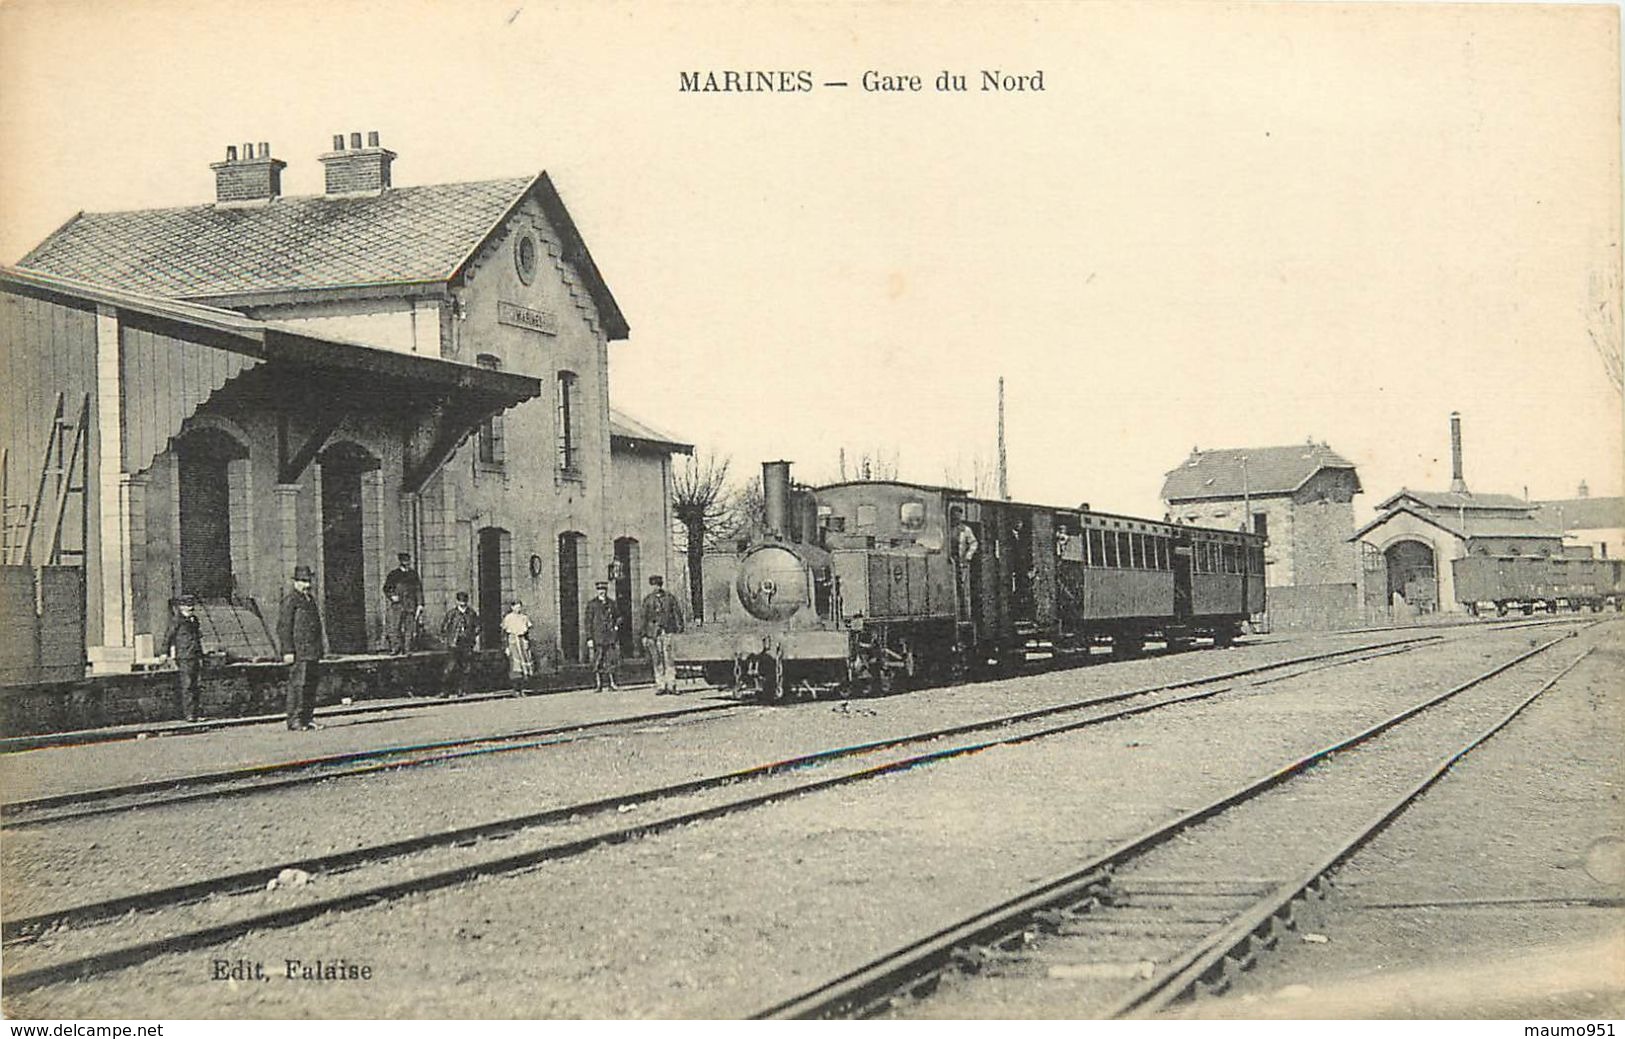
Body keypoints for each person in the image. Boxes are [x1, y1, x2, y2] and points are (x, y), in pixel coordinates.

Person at [277, 565, 325, 731]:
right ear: (295, 582)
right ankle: (295, 719)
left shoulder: (310, 600)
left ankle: (307, 717)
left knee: (310, 685)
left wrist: (321, 649)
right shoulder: (291, 599)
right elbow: (283, 626)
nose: (306, 585)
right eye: (303, 581)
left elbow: (316, 626)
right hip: (298, 652)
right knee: (298, 685)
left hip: (312, 651)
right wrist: (287, 650)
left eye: (308, 581)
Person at [162, 594, 206, 722]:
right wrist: (164, 652)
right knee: (187, 686)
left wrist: (202, 655)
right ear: (181, 607)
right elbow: (168, 637)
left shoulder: (194, 620)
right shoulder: (177, 620)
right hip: (184, 657)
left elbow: (197, 638)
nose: (190, 608)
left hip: (196, 655)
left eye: (192, 605)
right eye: (187, 605)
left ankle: (196, 713)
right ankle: (189, 714)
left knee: (197, 685)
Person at [641, 575, 685, 694]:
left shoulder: (670, 598)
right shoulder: (648, 600)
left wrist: (679, 629)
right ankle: (660, 685)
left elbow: (677, 614)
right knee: (657, 660)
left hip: (668, 632)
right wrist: (644, 635)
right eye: (655, 585)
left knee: (669, 659)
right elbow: (643, 618)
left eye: (659, 585)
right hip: (653, 634)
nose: (657, 587)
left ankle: (671, 685)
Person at [440, 591, 481, 697]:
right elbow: (444, 627)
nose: (463, 605)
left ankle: (461, 690)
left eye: (464, 602)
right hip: (454, 644)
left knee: (466, 668)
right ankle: (445, 691)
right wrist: (446, 639)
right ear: (457, 602)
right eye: (461, 602)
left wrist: (472, 636)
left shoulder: (471, 613)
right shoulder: (452, 613)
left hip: (466, 643)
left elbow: (477, 626)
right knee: (450, 667)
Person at [382, 552, 423, 654]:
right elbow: (386, 588)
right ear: (400, 562)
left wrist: (420, 604)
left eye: (408, 561)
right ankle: (396, 648)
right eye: (404, 561)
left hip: (410, 604)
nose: (406, 563)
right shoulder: (393, 574)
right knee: (395, 626)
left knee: (409, 627)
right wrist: (392, 596)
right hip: (398, 605)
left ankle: (407, 649)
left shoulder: (413, 574)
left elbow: (418, 589)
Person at [583, 582, 620, 691]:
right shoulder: (592, 604)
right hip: (597, 637)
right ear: (597, 591)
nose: (602, 591)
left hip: (610, 637)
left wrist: (616, 626)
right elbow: (588, 622)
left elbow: (619, 617)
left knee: (610, 660)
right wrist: (589, 638)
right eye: (600, 590)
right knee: (598, 661)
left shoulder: (612, 603)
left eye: (603, 589)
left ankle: (612, 683)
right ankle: (598, 684)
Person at [502, 600, 535, 690]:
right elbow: (505, 633)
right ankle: (515, 687)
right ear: (512, 607)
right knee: (515, 665)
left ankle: (523, 687)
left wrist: (527, 642)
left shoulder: (524, 617)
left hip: (522, 641)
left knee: (524, 663)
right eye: (516, 607)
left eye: (519, 607)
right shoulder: (508, 618)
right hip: (513, 642)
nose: (518, 609)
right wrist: (506, 647)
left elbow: (527, 632)